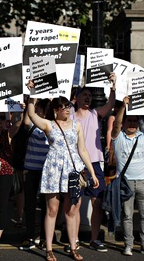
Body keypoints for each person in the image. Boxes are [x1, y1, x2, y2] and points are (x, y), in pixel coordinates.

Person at [27, 94, 98, 261]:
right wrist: (32, 96)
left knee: (71, 211)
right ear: (56, 110)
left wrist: (92, 173)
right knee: (52, 210)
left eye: (68, 106)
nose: (67, 109)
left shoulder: (77, 126)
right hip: (53, 169)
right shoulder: (48, 124)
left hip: (72, 170)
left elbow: (82, 150)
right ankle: (49, 249)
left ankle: (73, 247)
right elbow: (31, 114)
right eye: (64, 107)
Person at [70, 74, 116, 253]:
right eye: (84, 94)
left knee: (97, 202)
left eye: (90, 95)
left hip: (95, 163)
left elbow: (110, 105)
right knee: (75, 204)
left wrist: (113, 86)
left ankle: (94, 239)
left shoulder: (95, 114)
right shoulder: (70, 116)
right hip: (75, 164)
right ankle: (74, 239)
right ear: (76, 98)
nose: (88, 97)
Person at [111, 96, 144, 256]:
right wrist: (124, 106)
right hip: (125, 182)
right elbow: (116, 124)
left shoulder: (143, 136)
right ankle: (128, 245)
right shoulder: (118, 137)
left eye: (135, 121)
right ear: (125, 123)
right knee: (127, 216)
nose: (132, 123)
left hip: (143, 182)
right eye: (129, 120)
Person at [19, 98, 50, 250]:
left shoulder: (52, 125)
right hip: (31, 168)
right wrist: (32, 97)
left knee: (46, 206)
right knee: (30, 205)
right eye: (39, 108)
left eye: (43, 109)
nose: (41, 111)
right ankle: (29, 237)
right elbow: (26, 121)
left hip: (47, 170)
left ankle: (45, 238)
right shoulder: (32, 124)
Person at [0, 111, 21, 250]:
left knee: (2, 206)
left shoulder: (7, 133)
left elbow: (19, 123)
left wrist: (20, 109)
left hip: (4, 172)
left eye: (2, 118)